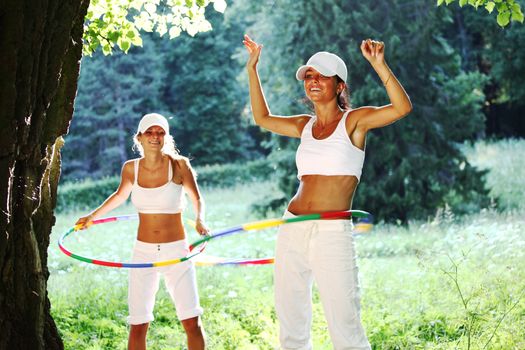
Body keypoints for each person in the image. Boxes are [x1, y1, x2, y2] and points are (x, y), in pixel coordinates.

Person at [243, 34, 412, 350]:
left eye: (321, 75)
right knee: (291, 319)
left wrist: (379, 64)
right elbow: (262, 118)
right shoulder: (303, 126)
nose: (313, 80)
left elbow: (401, 108)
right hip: (292, 225)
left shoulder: (355, 122)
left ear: (339, 86)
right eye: (308, 75)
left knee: (344, 322)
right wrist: (253, 68)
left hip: (333, 230)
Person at [76, 113, 209, 350]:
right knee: (138, 324)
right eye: (150, 132)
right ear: (139, 137)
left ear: (166, 137)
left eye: (160, 133)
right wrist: (91, 217)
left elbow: (196, 197)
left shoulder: (179, 165)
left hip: (176, 249)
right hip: (143, 252)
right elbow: (119, 196)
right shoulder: (130, 169)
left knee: (191, 321)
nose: (155, 137)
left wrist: (199, 219)